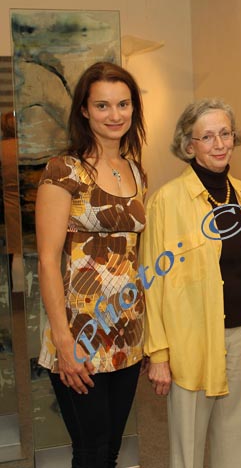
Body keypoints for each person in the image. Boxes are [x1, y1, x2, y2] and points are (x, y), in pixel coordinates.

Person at [142, 98, 241, 468]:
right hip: (189, 338)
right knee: (187, 444)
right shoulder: (166, 201)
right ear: (188, 145)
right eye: (207, 137)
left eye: (226, 133)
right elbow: (152, 284)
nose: (220, 144)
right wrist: (158, 354)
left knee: (238, 435)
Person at [36, 61, 147, 468]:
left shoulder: (136, 169)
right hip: (78, 334)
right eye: (102, 106)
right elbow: (47, 262)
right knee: (91, 450)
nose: (114, 115)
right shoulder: (63, 171)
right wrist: (64, 343)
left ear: (133, 108)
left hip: (127, 331)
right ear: (84, 110)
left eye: (123, 104)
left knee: (112, 448)